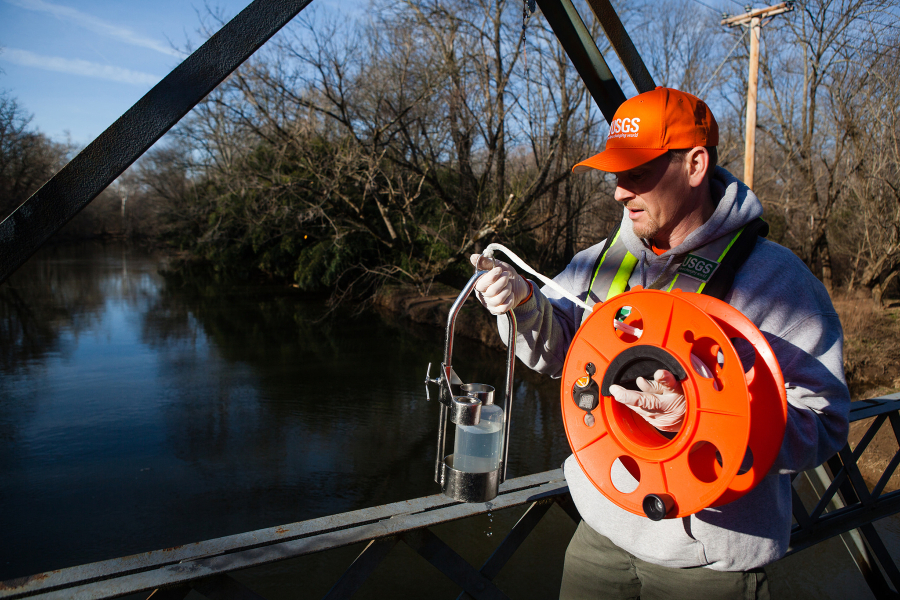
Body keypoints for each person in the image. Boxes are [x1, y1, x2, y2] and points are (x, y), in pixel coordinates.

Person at [470, 87, 850, 599]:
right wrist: (523, 304)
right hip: (601, 536)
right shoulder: (602, 260)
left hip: (708, 565)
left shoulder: (776, 282)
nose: (619, 192)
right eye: (616, 175)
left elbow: (823, 423)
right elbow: (557, 351)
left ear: (695, 165)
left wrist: (703, 421)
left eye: (639, 172)